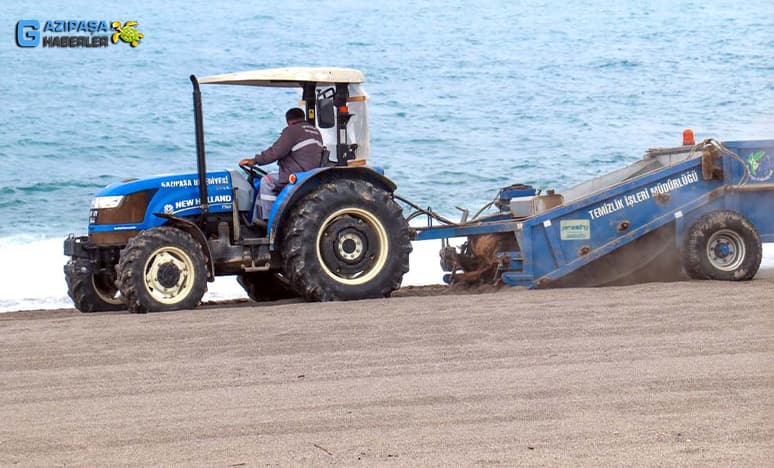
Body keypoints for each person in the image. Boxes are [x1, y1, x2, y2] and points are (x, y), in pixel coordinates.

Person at [239, 107, 323, 226]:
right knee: (266, 181)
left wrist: (255, 160)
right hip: (309, 173)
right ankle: (255, 222)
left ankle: (269, 221)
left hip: (297, 174)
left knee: (266, 181)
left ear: (288, 121)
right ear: (303, 117)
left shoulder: (293, 130)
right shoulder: (315, 131)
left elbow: (276, 152)